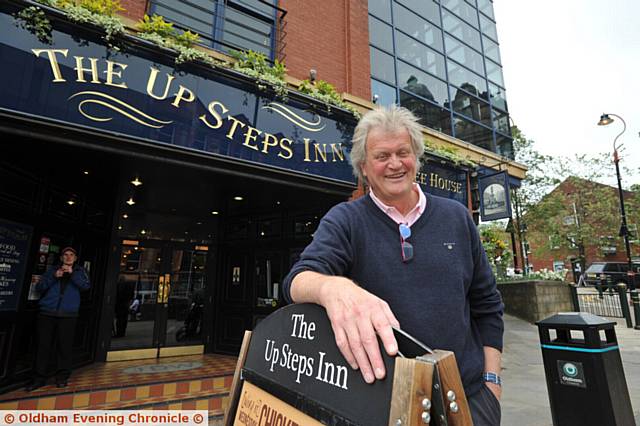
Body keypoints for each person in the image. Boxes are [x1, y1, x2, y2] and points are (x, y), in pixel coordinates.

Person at [282, 106, 504, 425]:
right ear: (364, 167)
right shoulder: (346, 221)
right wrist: (333, 287)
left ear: (417, 157)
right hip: (385, 406)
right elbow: (295, 282)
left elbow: (488, 305)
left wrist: (492, 385)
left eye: (403, 152)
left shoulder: (456, 217)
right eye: (382, 156)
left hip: (468, 400)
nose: (395, 164)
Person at [26, 247, 90, 391]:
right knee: (42, 346)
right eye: (65, 255)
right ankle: (38, 378)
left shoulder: (80, 272)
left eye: (71, 255)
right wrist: (54, 276)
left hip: (68, 315)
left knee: (64, 347)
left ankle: (62, 377)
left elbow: (85, 286)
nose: (68, 257)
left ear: (75, 258)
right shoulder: (51, 270)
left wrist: (72, 275)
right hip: (47, 313)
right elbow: (40, 287)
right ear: (61, 258)